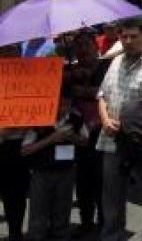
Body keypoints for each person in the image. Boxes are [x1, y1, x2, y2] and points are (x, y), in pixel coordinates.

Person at [98, 17, 142, 241]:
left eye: (133, 36)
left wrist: (129, 123)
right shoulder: (116, 62)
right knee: (112, 197)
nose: (128, 41)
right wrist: (105, 119)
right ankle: (112, 236)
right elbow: (101, 95)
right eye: (124, 36)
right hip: (111, 140)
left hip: (141, 143)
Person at [22, 85, 89, 241]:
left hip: (66, 170)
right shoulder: (39, 119)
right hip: (42, 171)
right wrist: (51, 139)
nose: (62, 108)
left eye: (65, 104)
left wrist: (71, 137)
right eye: (59, 104)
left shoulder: (75, 118)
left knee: (62, 211)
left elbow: (85, 141)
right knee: (38, 212)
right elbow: (25, 150)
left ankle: (61, 235)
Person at [68, 29, 109, 237]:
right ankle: (86, 222)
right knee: (82, 181)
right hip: (76, 135)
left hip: (101, 132)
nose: (83, 49)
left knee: (102, 179)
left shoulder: (106, 67)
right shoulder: (68, 71)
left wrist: (85, 90)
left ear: (96, 46)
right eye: (79, 45)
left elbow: (107, 92)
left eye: (87, 44)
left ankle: (105, 221)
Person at [0, 44, 29, 241]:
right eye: (4, 50)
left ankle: (15, 233)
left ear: (20, 52)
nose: (9, 54)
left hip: (19, 144)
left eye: (13, 50)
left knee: (16, 194)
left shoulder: (33, 76)